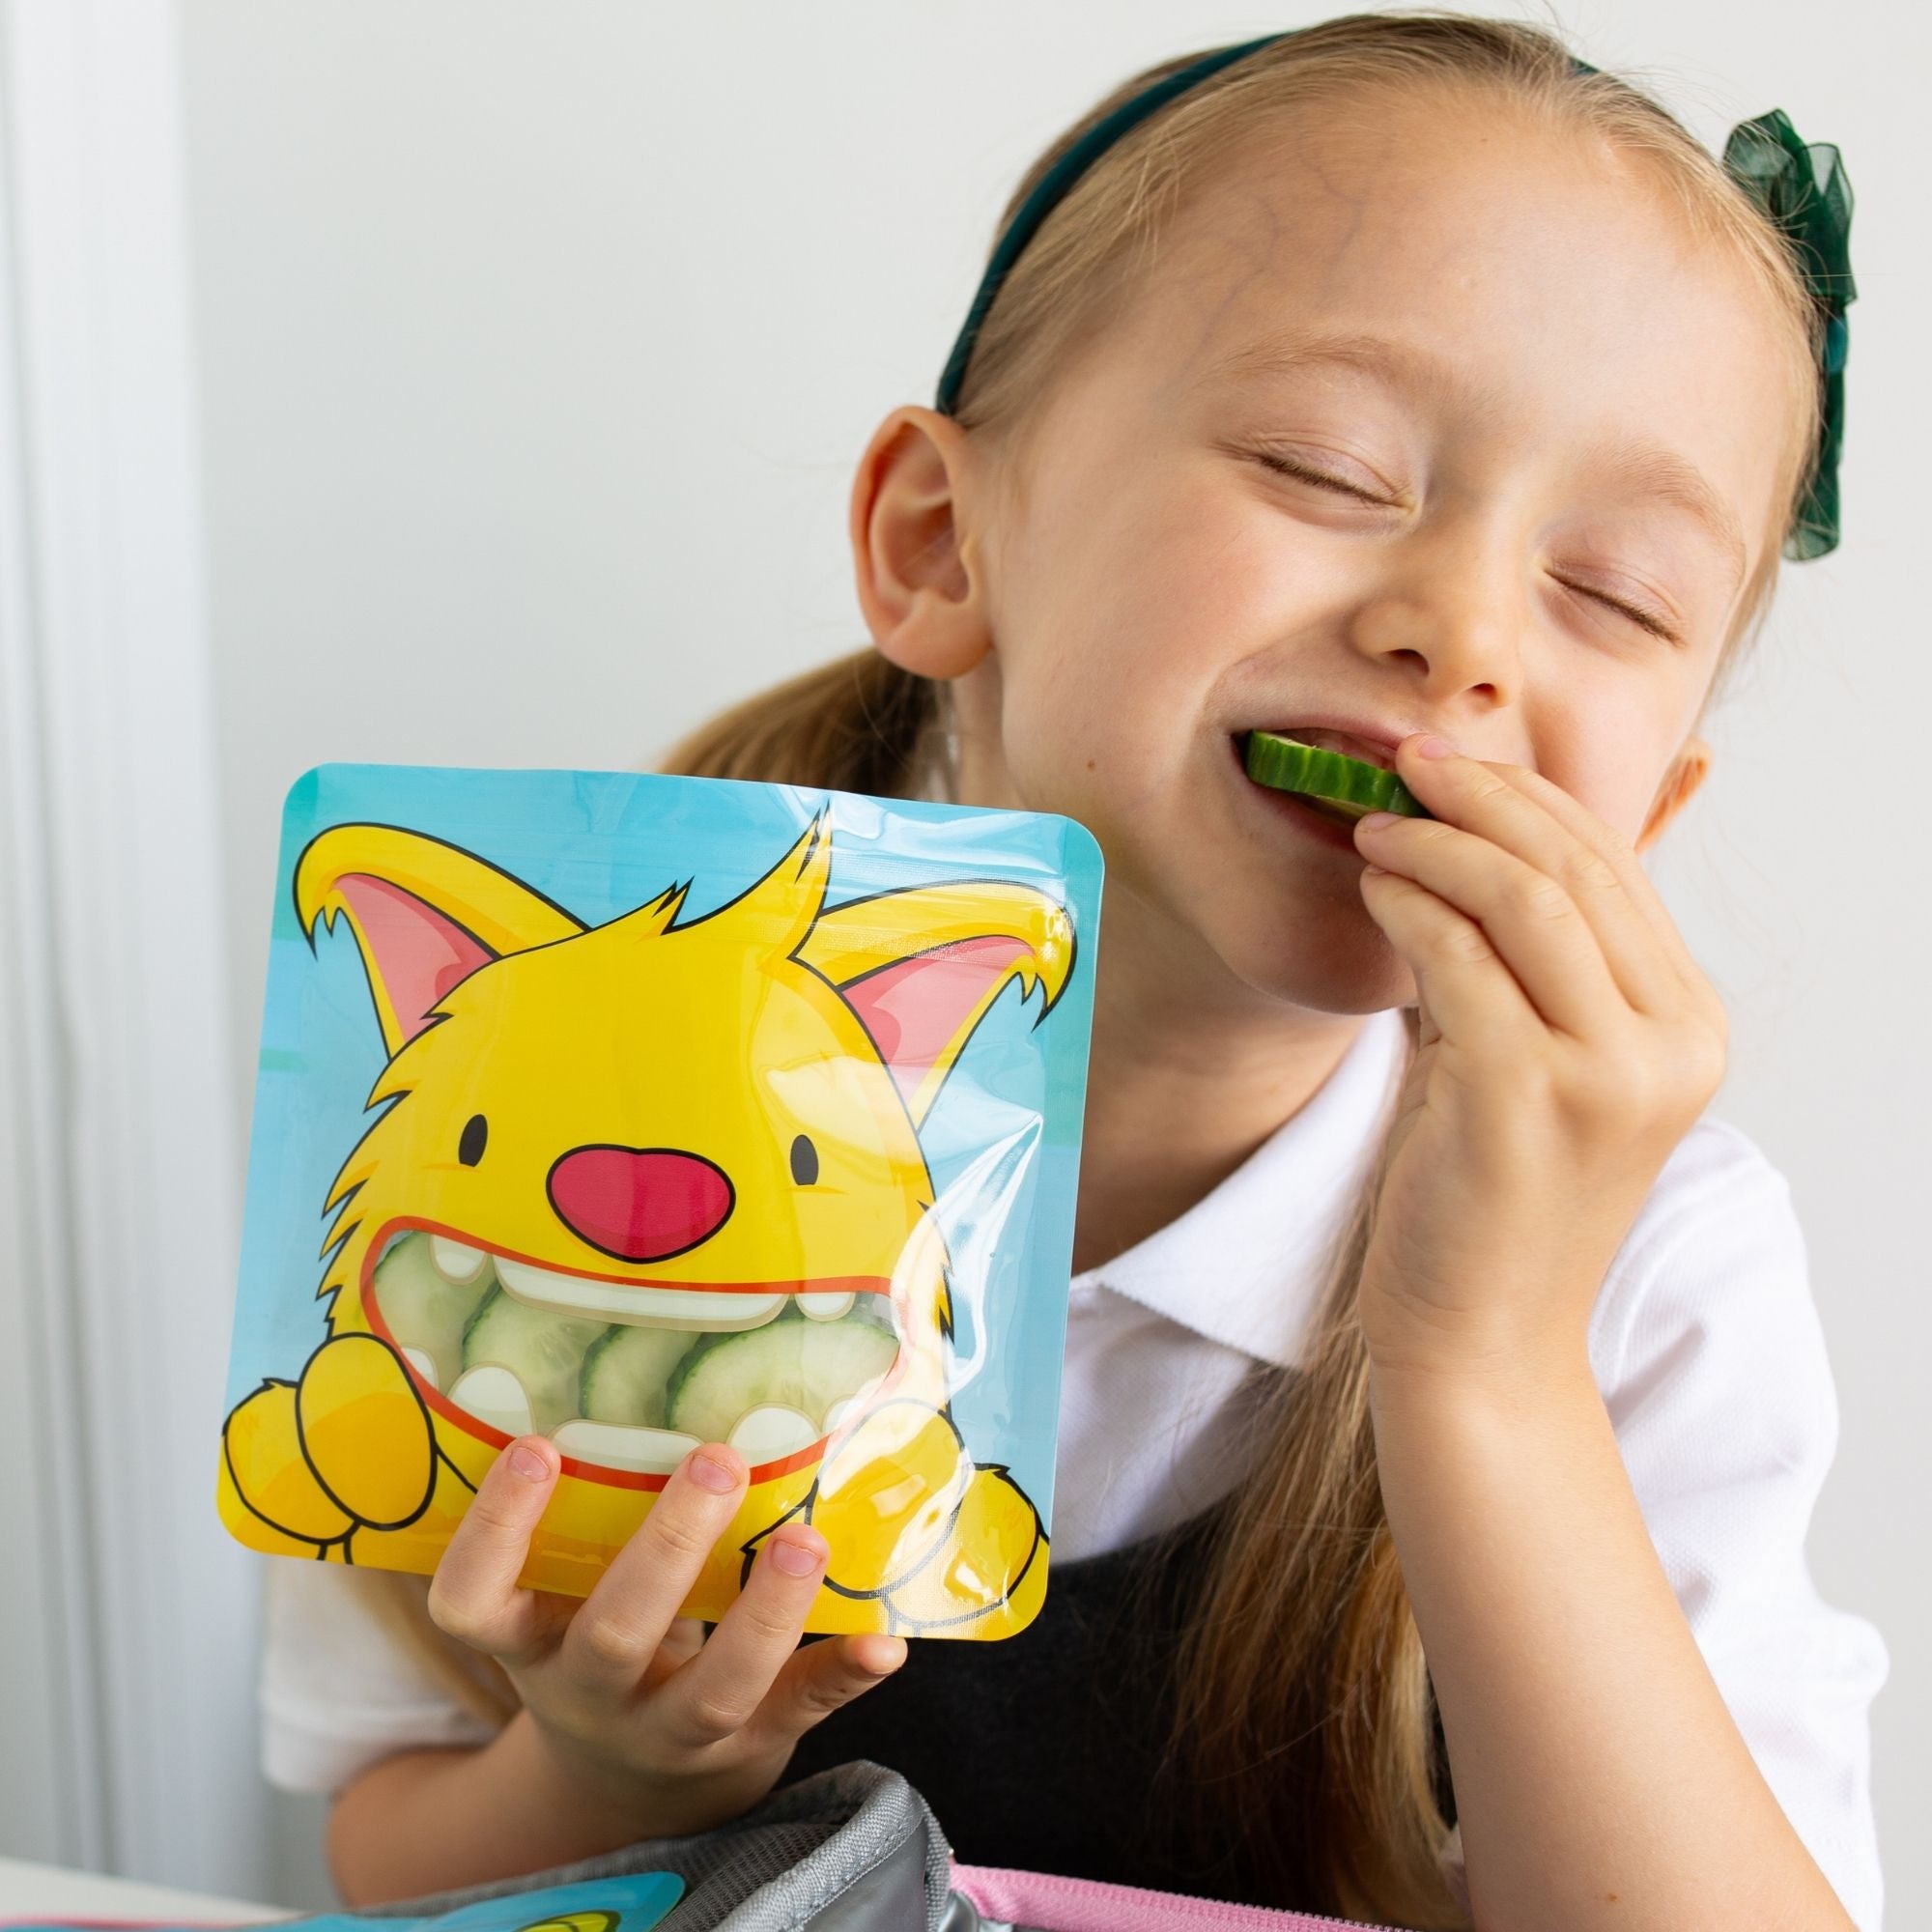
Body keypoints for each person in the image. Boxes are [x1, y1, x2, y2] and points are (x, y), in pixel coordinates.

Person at [264, 14, 1887, 1928]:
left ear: (1652, 804)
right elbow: (374, 1861)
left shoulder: (1651, 1280)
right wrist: (609, 1763)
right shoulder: (499, 1111)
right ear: (942, 539)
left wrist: (1486, 1369)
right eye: (1326, 466)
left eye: (1611, 591)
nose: (1458, 633)